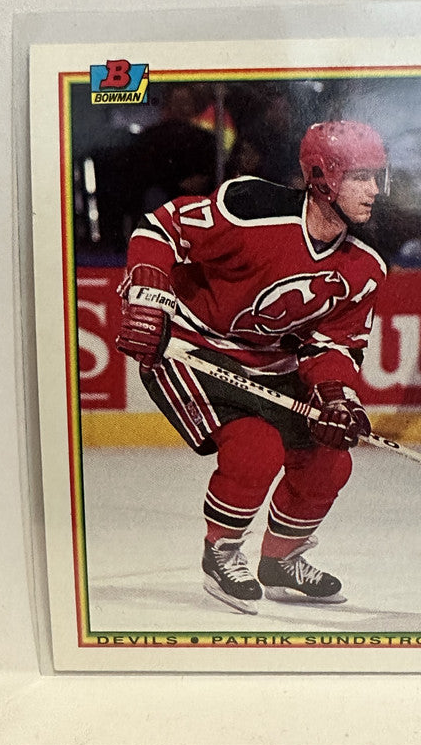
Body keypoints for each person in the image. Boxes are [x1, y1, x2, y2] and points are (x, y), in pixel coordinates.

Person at [115, 120, 389, 614]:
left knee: (330, 458)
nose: (374, 190)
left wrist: (335, 395)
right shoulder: (249, 209)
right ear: (323, 177)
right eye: (360, 177)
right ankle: (220, 552)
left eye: (377, 177)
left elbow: (333, 344)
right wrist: (149, 291)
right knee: (254, 449)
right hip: (191, 346)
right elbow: (162, 228)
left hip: (268, 361)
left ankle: (281, 561)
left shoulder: (364, 266)